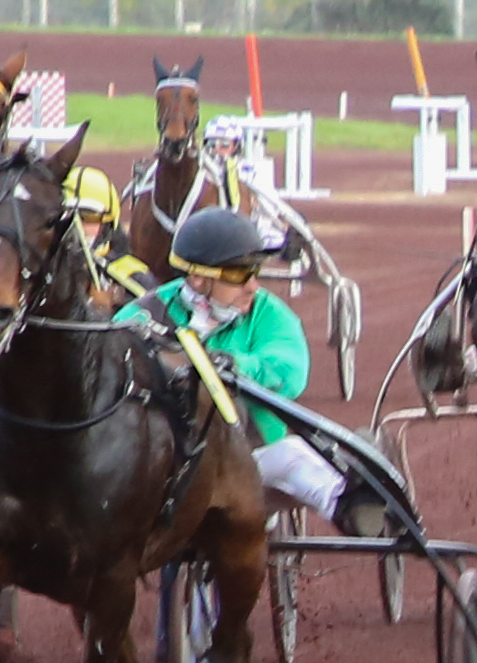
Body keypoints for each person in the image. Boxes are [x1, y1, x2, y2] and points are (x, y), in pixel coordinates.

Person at [124, 206, 386, 535]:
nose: (252, 286)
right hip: (163, 469)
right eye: (238, 275)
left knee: (292, 456)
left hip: (250, 461)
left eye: (254, 272)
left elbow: (291, 371)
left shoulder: (268, 313)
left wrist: (234, 365)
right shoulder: (142, 314)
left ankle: (350, 504)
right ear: (198, 278)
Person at [63, 164, 146, 299]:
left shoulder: (135, 278)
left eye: (88, 216)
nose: (76, 225)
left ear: (108, 224)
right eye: (67, 216)